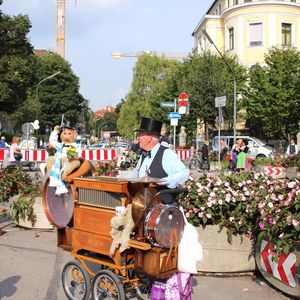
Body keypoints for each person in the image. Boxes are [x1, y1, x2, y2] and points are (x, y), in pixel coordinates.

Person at [135, 117, 189, 204]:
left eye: (140, 134)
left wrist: (161, 181)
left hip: (161, 208)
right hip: (142, 206)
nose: (138, 138)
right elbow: (136, 174)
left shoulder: (167, 154)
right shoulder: (143, 155)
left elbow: (184, 173)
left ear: (149, 138)